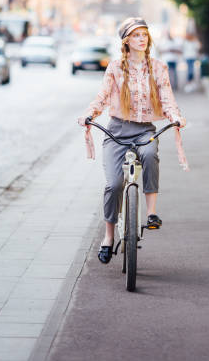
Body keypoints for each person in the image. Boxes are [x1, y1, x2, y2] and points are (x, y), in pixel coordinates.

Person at [78, 17, 187, 265]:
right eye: (136, 35)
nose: (141, 39)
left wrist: (176, 116)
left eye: (144, 35)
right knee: (114, 185)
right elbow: (102, 96)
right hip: (116, 132)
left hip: (144, 130)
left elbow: (167, 98)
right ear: (127, 40)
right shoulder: (116, 67)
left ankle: (151, 214)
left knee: (150, 155)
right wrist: (89, 114)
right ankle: (107, 238)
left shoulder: (158, 68)